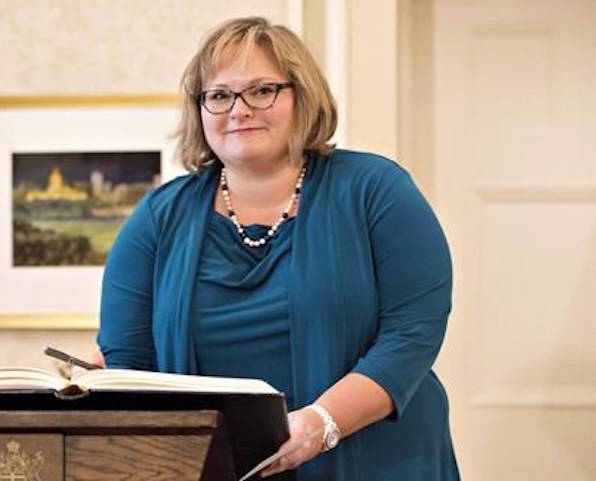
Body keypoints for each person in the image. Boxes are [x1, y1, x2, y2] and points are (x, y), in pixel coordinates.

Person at [97, 16, 459, 481]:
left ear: (301, 95)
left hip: (378, 459)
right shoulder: (158, 215)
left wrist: (322, 424)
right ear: (200, 109)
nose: (239, 109)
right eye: (220, 95)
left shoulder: (377, 190)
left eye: (262, 90)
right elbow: (129, 359)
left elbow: (413, 333)